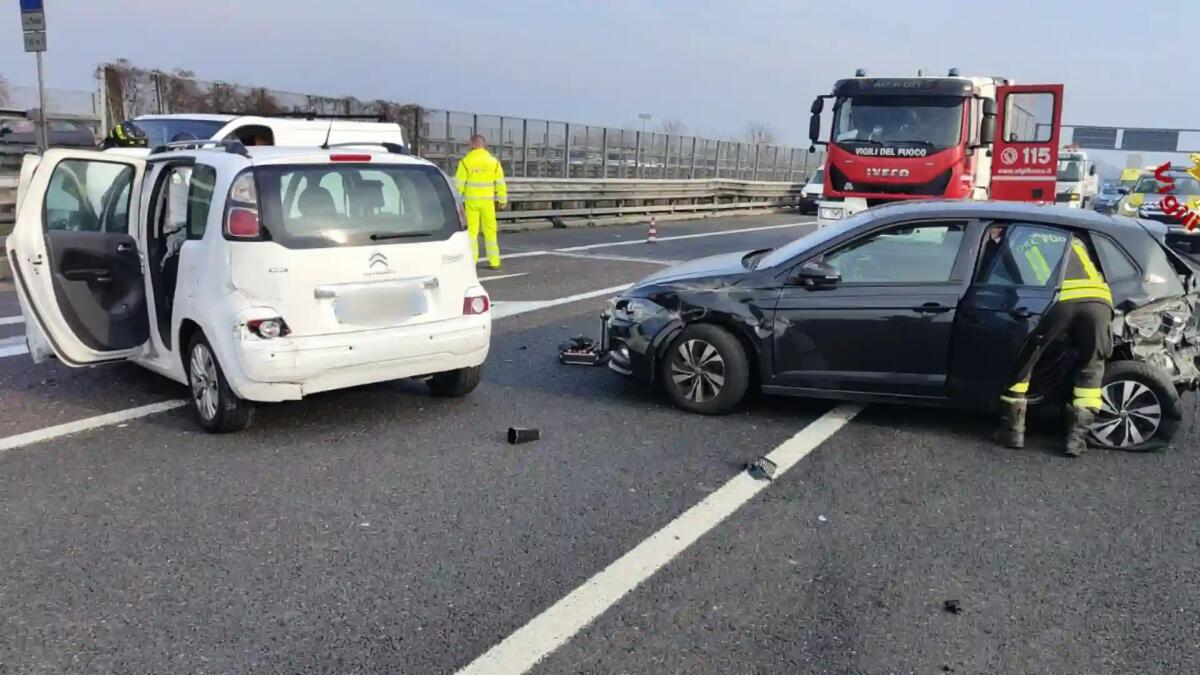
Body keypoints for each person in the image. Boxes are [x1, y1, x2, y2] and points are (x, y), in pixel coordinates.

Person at [993, 226, 1113, 457]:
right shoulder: (1070, 237)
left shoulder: (1017, 241)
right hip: (1098, 300)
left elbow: (1011, 280)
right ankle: (1076, 441)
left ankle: (1013, 432)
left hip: (1060, 299)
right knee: (1091, 367)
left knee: (1026, 358)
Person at [454, 135, 507, 269]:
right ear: (483, 144)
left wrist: (456, 201)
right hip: (488, 203)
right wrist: (502, 199)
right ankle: (494, 261)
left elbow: (459, 184)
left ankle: (472, 261)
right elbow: (500, 183)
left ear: (472, 144)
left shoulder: (465, 162)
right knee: (490, 231)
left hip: (471, 203)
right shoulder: (493, 162)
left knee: (472, 233)